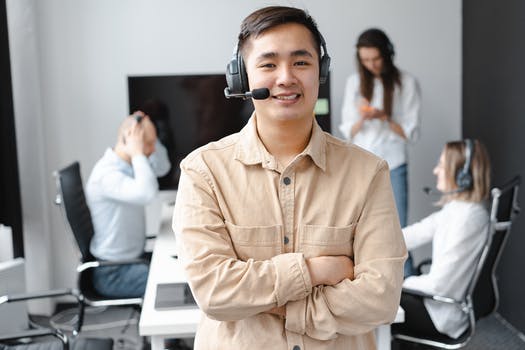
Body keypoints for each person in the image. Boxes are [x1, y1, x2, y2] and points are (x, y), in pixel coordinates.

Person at [173, 6, 406, 349]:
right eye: (268, 64)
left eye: (301, 62)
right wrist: (314, 272)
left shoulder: (368, 173)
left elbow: (381, 298)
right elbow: (214, 293)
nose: (285, 77)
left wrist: (272, 304)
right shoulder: (202, 172)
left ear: (320, 71)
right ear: (241, 77)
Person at [339, 28, 421, 277]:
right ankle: (368, 282)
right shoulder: (354, 83)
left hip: (394, 162)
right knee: (361, 228)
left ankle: (406, 287)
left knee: (399, 228)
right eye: (365, 60)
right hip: (361, 164)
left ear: (387, 55)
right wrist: (364, 117)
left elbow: (412, 132)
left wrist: (385, 117)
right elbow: (348, 131)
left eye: (375, 59)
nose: (371, 65)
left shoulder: (406, 83)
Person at [392, 139, 491, 340]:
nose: (436, 170)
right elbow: (418, 232)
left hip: (442, 315)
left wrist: (400, 283)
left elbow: (439, 285)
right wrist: (370, 242)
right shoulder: (458, 209)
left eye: (442, 165)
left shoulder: (468, 219)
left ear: (462, 176)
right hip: (436, 305)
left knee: (373, 305)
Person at [86, 112, 159, 298]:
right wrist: (137, 153)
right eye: (148, 144)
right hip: (113, 273)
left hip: (134, 261)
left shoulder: (127, 167)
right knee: (171, 280)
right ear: (129, 139)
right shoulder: (108, 174)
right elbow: (148, 193)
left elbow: (163, 167)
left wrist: (144, 125)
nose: (153, 150)